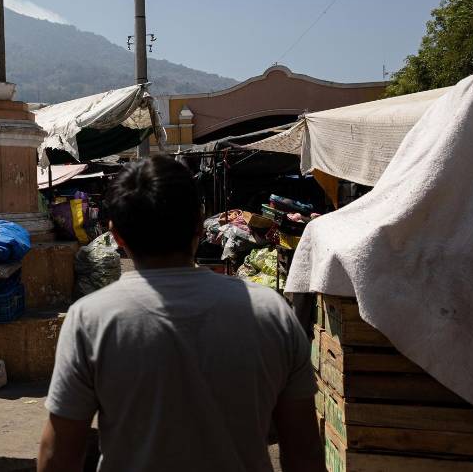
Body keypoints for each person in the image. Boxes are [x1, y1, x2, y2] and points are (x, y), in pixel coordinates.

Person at [38, 156, 323, 472]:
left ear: (115, 236)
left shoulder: (90, 321)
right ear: (201, 225)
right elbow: (305, 454)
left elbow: (58, 455)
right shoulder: (272, 314)